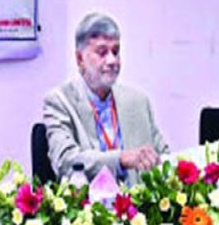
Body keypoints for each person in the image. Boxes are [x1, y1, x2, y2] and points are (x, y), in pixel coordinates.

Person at [43, 12, 167, 185]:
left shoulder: (138, 101)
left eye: (116, 52)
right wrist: (120, 159)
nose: (112, 60)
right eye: (102, 53)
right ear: (80, 59)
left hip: (139, 208)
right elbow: (66, 161)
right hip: (89, 207)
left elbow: (163, 156)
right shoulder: (60, 101)